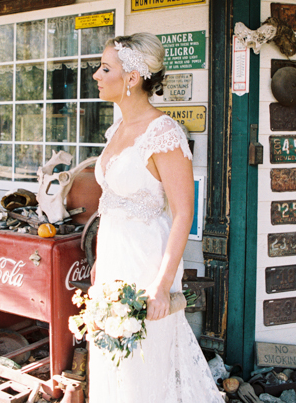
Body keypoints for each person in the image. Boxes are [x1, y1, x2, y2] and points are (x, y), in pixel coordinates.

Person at [88, 33, 223, 402]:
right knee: (111, 358)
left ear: (132, 78)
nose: (96, 75)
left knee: (143, 365)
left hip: (146, 264)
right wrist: (100, 263)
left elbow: (183, 213)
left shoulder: (163, 134)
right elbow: (111, 204)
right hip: (114, 260)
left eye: (105, 68)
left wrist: (162, 285)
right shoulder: (116, 130)